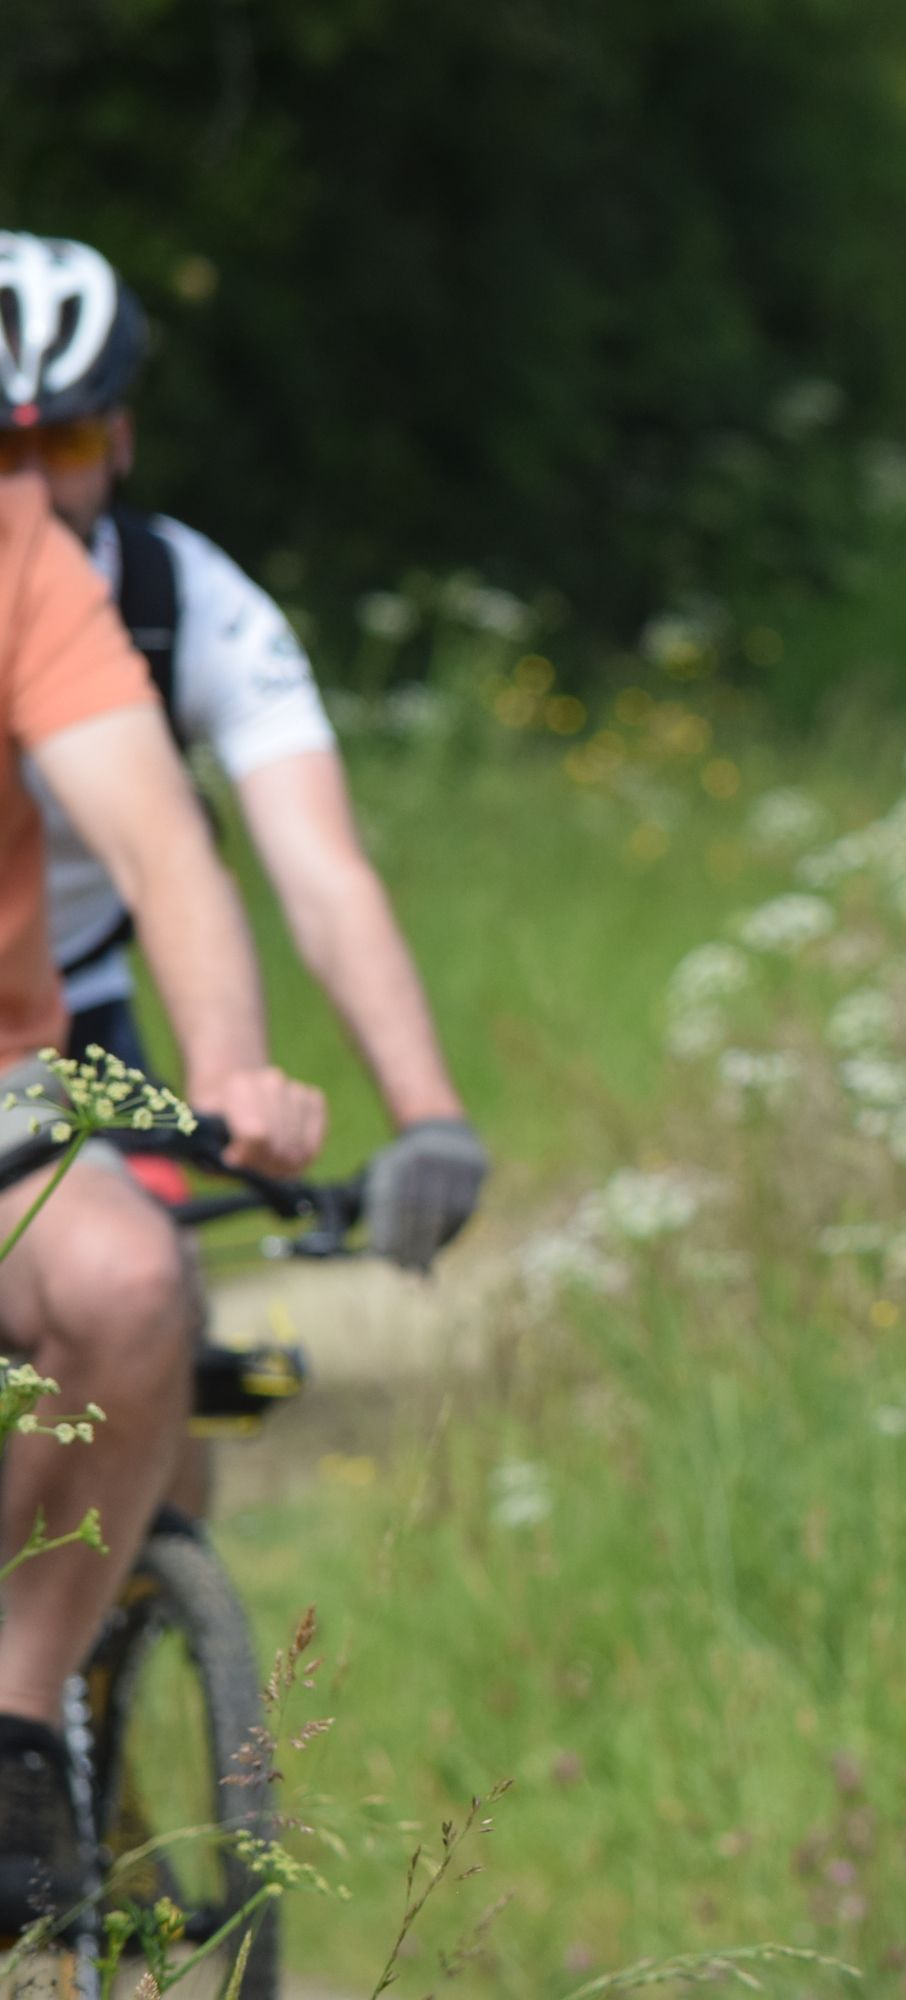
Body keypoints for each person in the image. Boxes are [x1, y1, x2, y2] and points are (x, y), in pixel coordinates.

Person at [0, 230, 485, 1272]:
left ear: (121, 440)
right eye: (2, 453)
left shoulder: (195, 608)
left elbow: (321, 874)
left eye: (65, 446)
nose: (31, 490)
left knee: (138, 1287)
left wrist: (428, 1115)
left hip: (78, 996)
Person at [0, 453, 326, 1933]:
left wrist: (232, 1062)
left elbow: (156, 835)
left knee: (134, 1281)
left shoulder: (20, 554)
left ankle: (16, 1733)